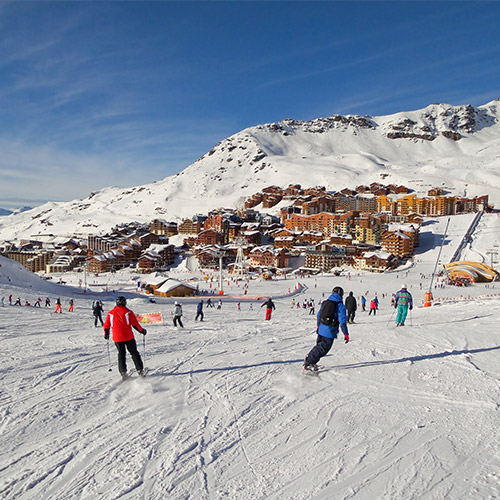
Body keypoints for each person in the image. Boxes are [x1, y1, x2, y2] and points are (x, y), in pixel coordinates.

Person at [304, 286, 349, 372]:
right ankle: (309, 362)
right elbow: (343, 322)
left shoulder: (325, 302)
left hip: (321, 328)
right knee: (323, 349)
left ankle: (310, 360)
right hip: (329, 331)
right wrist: (346, 334)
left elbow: (318, 315)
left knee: (319, 346)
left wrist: (318, 326)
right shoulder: (340, 306)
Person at [103, 296, 147, 379]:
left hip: (117, 338)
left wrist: (106, 334)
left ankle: (123, 372)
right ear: (124, 303)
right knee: (134, 353)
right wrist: (142, 331)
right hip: (128, 337)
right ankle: (140, 370)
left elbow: (106, 325)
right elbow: (135, 324)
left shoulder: (110, 313)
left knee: (121, 354)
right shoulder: (128, 312)